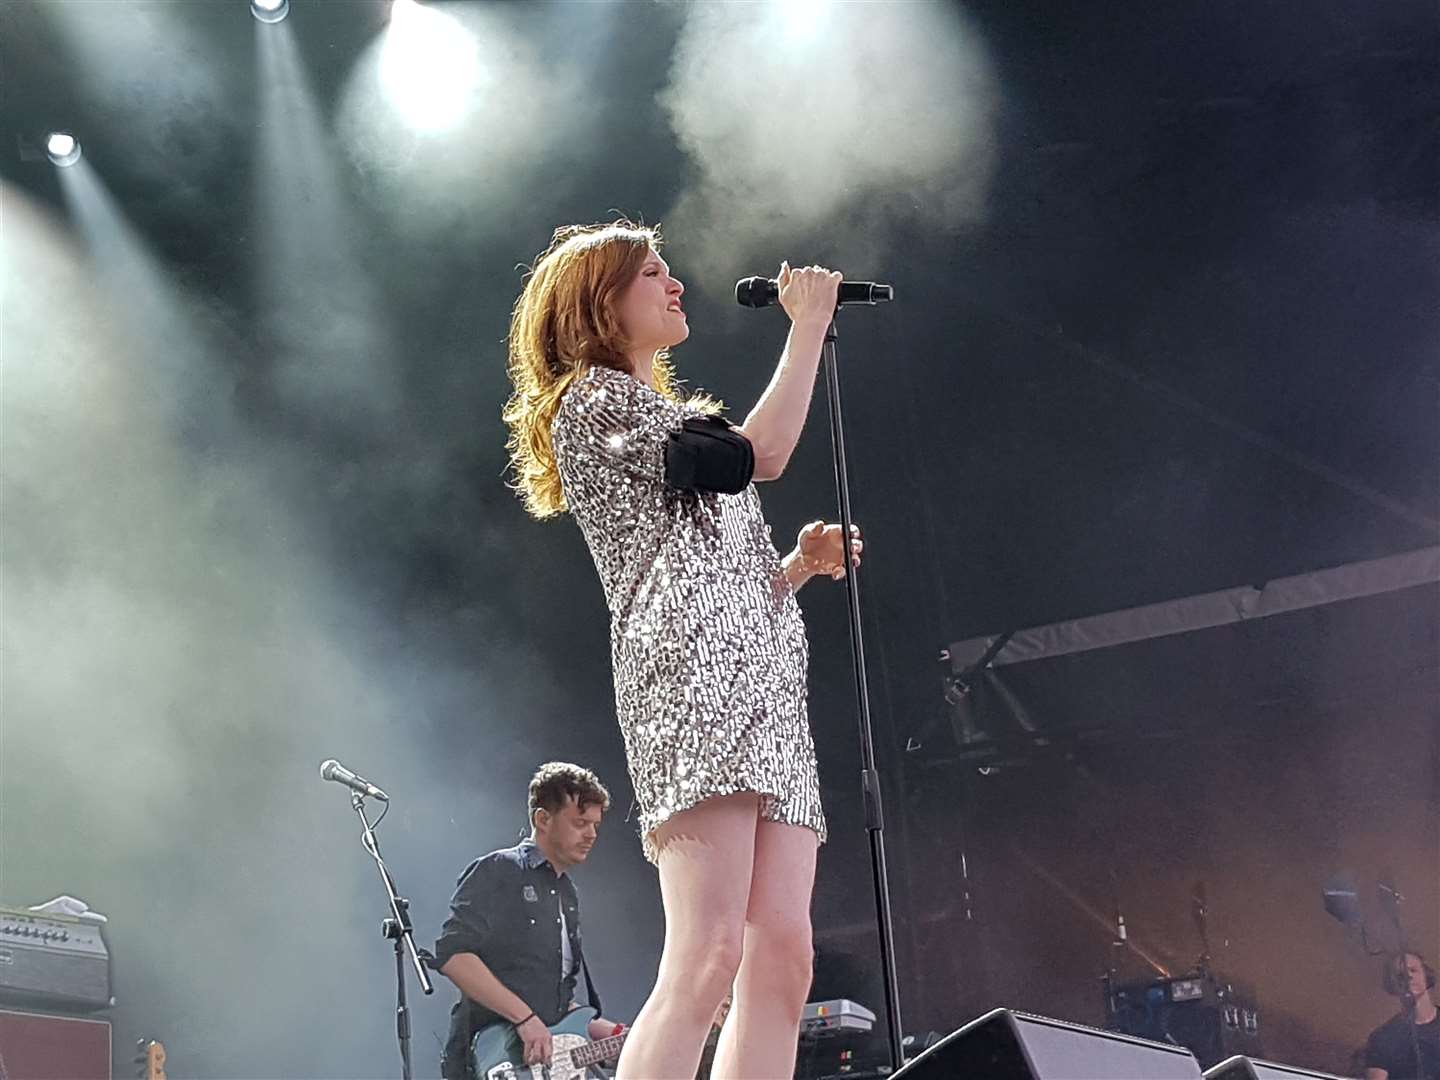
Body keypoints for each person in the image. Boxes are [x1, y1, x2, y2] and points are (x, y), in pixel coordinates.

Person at [502, 220, 864, 1079]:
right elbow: (761, 456)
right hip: (692, 687)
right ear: (599, 299)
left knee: (783, 962)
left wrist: (795, 570)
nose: (676, 286)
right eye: (653, 273)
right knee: (706, 957)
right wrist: (807, 323)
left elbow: (718, 571)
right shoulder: (593, 403)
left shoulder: (676, 417)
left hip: (768, 692)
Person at [434, 762, 624, 1078]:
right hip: (493, 1057)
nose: (591, 834)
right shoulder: (499, 870)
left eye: (595, 825)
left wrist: (611, 1032)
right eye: (579, 823)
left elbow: (553, 996)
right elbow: (454, 956)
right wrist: (525, 1019)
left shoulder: (568, 892)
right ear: (543, 819)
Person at [1364, 951, 1440, 1080]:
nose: (1408, 976)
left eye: (1413, 970)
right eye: (1400, 975)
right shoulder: (1382, 1038)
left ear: (1427, 976)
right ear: (1392, 984)